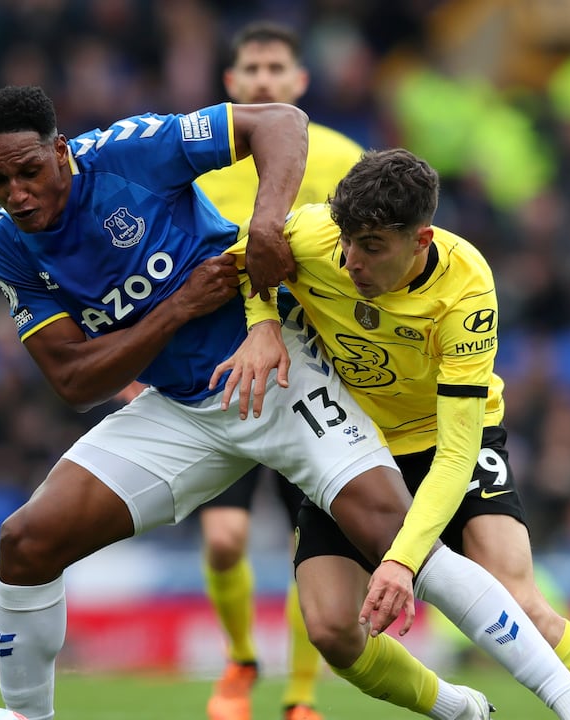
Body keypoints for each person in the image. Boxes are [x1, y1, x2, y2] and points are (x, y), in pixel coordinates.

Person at [0, 85, 570, 720]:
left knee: (401, 543)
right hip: (185, 408)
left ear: (60, 151)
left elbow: (278, 122)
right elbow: (75, 380)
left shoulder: (132, 153)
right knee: (26, 543)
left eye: (29, 171)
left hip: (281, 372)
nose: (17, 194)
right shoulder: (8, 245)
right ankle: (29, 718)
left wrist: (264, 226)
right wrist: (179, 308)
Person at [213, 148, 570, 720]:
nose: (351, 261)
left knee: (522, 604)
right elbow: (244, 262)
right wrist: (263, 323)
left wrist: (402, 561)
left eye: (371, 248)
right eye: (346, 241)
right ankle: (458, 708)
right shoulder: (314, 235)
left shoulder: (466, 290)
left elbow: (458, 450)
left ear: (421, 240)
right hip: (353, 447)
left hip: (447, 440)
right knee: (333, 629)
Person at [191, 21, 365, 720]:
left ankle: (299, 700)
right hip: (217, 370)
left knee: (310, 548)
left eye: (276, 69)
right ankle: (240, 659)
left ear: (300, 82)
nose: (264, 80)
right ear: (232, 86)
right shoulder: (202, 159)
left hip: (313, 373)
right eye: (251, 71)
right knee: (225, 540)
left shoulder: (342, 156)